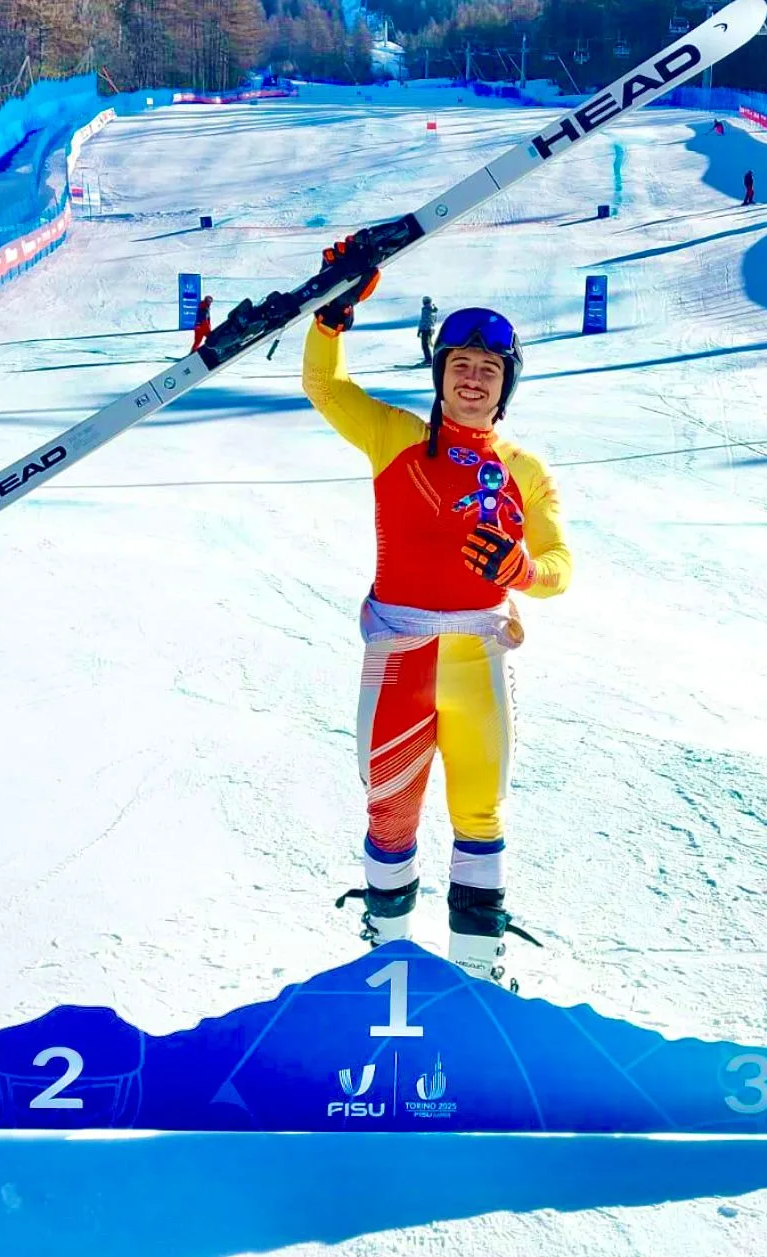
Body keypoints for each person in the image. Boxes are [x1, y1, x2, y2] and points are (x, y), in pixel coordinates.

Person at [303, 238, 572, 986]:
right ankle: (384, 969)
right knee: (389, 817)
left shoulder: (524, 470)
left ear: (506, 383)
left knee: (480, 819)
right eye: (462, 367)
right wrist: (330, 322)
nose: (475, 381)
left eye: (489, 370)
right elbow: (326, 389)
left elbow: (560, 567)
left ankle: (478, 976)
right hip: (400, 655)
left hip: (476, 659)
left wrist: (521, 569)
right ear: (441, 375)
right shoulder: (393, 438)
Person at [417, 295, 438, 364]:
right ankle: (430, 358)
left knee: (425, 345)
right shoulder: (432, 309)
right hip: (430, 329)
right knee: (427, 344)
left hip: (425, 329)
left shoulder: (425, 309)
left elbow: (423, 320)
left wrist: (420, 330)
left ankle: (429, 359)